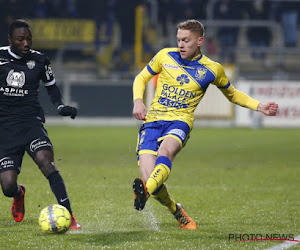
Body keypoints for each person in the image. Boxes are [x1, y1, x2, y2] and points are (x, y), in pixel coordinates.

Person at [132, 19, 278, 230]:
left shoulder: (212, 69)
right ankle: (175, 209)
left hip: (180, 122)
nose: (181, 44)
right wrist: (138, 100)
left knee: (167, 151)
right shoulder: (165, 56)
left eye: (186, 40)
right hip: (152, 122)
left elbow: (233, 94)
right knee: (152, 182)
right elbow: (141, 78)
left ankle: (145, 190)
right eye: (179, 40)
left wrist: (259, 106)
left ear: (200, 41)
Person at [0, 19, 81, 230]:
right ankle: (19, 194)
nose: (26, 43)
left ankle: (70, 216)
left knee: (46, 162)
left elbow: (51, 88)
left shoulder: (40, 60)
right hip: (5, 129)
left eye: (29, 39)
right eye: (20, 39)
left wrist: (61, 106)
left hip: (30, 123)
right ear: (10, 40)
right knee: (7, 186)